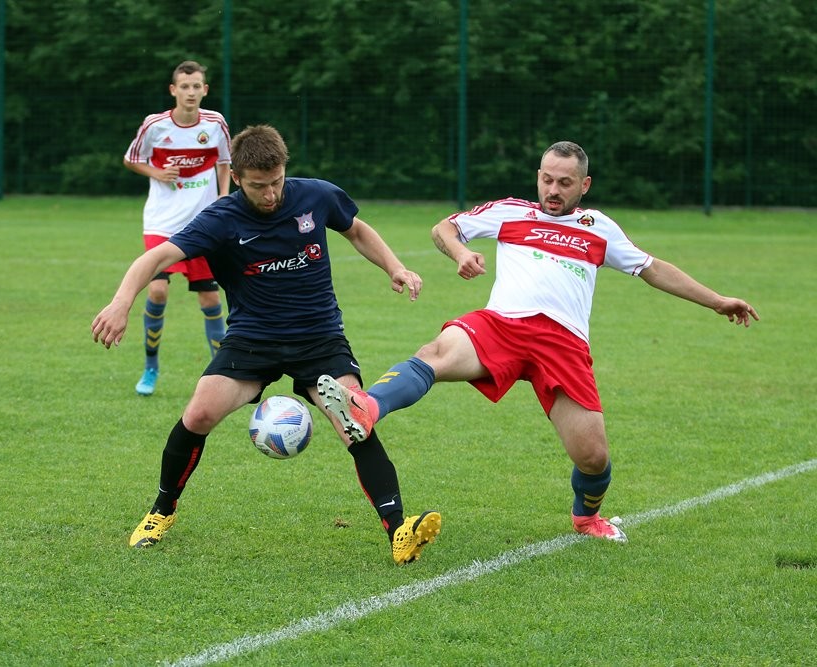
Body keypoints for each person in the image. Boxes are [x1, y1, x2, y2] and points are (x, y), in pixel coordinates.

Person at [318, 140, 759, 543]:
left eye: (565, 183)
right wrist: (462, 252)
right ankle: (365, 407)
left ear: (584, 184)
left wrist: (717, 301)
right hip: (503, 326)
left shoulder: (599, 227)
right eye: (547, 179)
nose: (553, 190)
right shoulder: (511, 212)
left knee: (593, 458)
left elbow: (652, 268)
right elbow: (443, 229)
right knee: (436, 352)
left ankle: (586, 517)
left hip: (563, 344)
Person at [93, 124, 442, 565]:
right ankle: (161, 511)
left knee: (354, 418)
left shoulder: (315, 195)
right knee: (198, 414)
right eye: (259, 186)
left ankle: (399, 531)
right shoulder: (220, 220)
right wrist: (121, 302)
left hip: (319, 337)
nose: (271, 193)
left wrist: (394, 267)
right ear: (237, 178)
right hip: (252, 339)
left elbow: (356, 230)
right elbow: (158, 256)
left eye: (276, 181)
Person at [122, 60, 231, 396]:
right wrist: (156, 173)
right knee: (157, 291)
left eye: (196, 86)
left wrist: (223, 199)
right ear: (173, 90)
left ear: (205, 90)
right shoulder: (154, 125)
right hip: (162, 222)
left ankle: (222, 374)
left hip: (203, 224)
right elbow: (131, 159)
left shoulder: (215, 124)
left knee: (210, 298)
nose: (191, 92)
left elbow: (225, 162)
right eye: (185, 86)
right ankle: (150, 367)